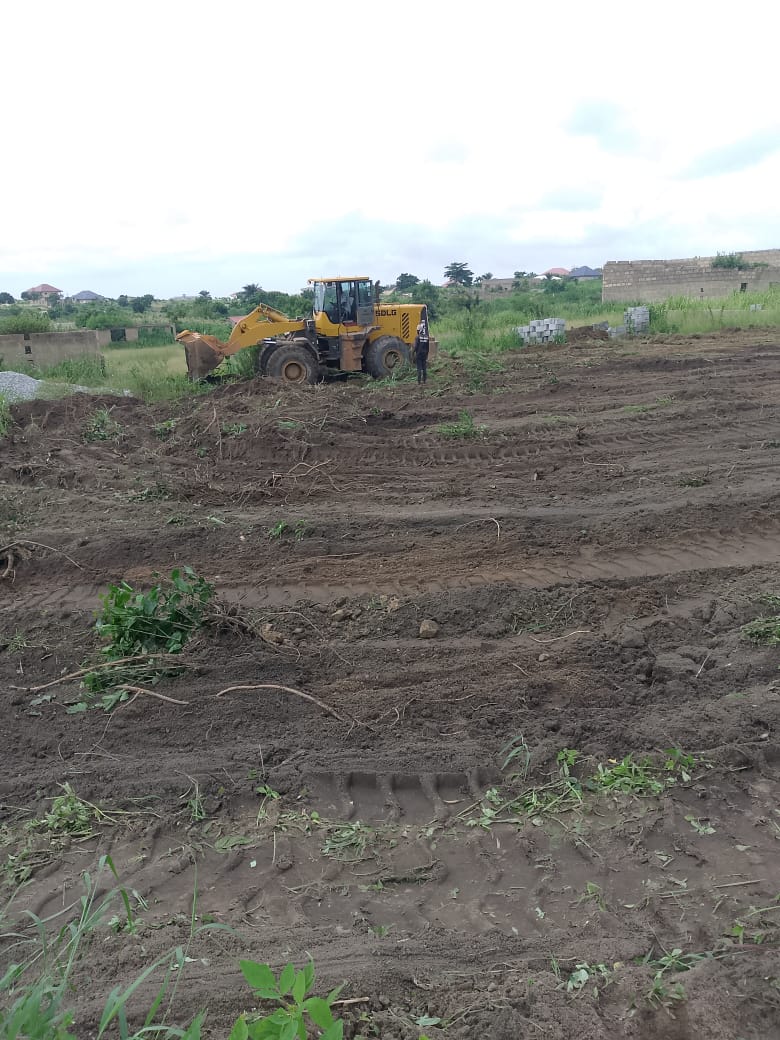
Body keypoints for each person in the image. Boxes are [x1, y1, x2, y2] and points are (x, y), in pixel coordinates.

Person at [413, 308, 430, 385]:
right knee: (424, 367)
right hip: (424, 354)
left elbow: (416, 346)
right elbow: (428, 347)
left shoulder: (417, 337)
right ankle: (425, 380)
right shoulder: (426, 337)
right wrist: (427, 354)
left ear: (418, 330)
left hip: (419, 354)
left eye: (417, 330)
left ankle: (419, 382)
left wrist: (412, 353)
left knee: (419, 368)